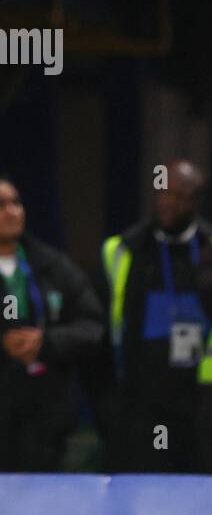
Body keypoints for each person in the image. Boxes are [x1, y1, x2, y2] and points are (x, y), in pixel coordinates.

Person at [0, 174, 104, 472]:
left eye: (16, 203)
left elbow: (91, 327)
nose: (13, 211)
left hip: (47, 423)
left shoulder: (53, 267)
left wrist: (47, 342)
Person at [101, 160, 212, 472]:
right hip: (143, 406)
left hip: (202, 404)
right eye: (161, 193)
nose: (167, 203)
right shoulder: (124, 250)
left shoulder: (208, 249)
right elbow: (102, 332)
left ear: (197, 201)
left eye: (179, 195)